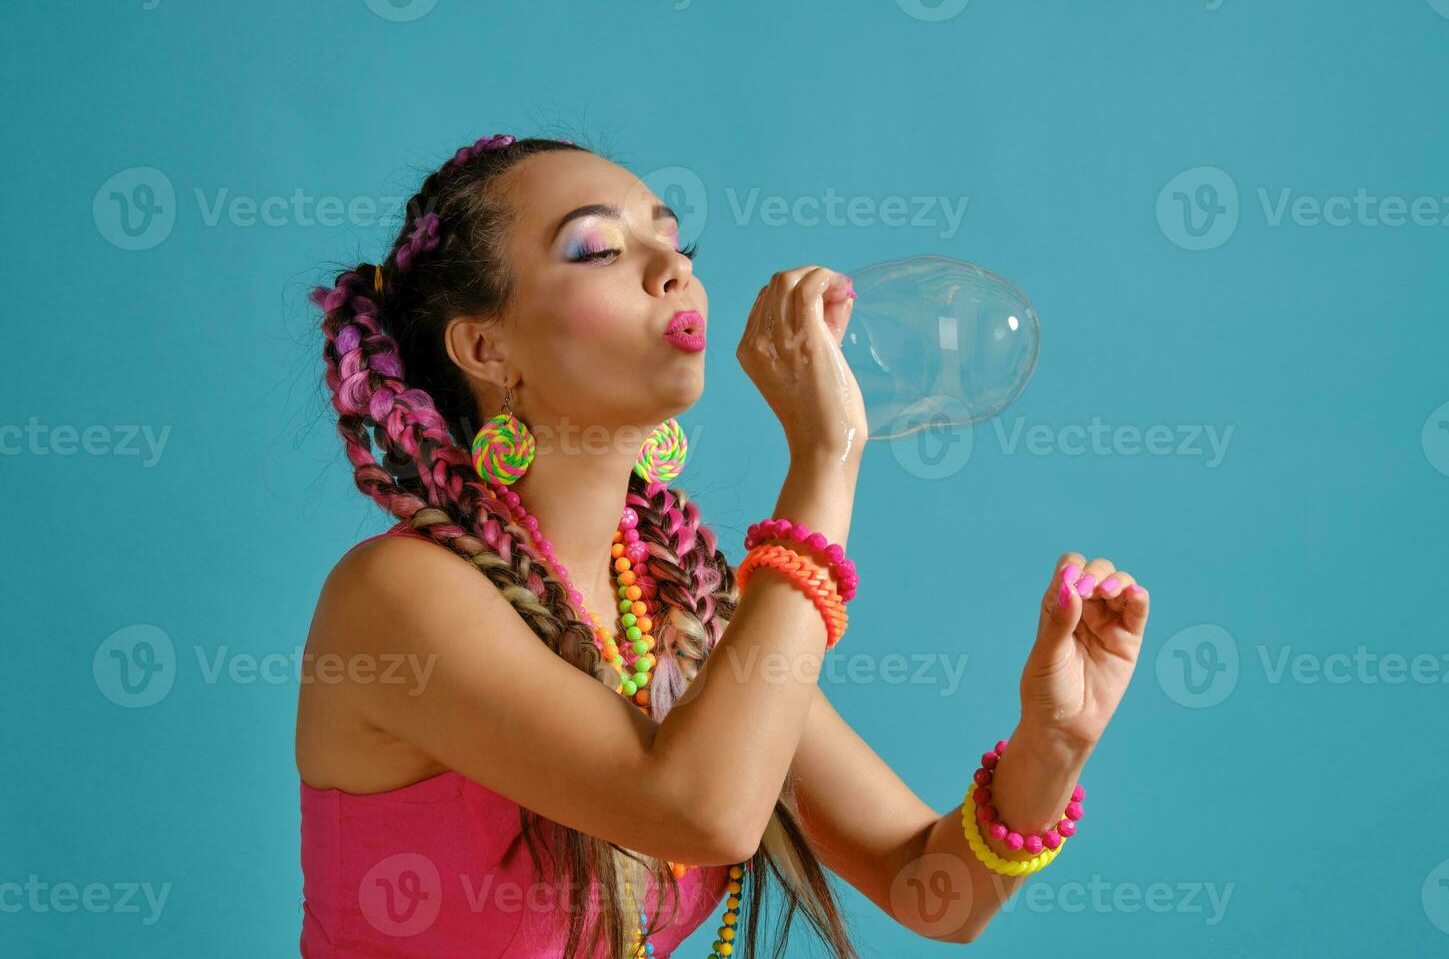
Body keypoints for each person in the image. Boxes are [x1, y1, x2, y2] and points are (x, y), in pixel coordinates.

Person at [295, 133, 1151, 958]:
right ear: (487, 347)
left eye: (674, 239)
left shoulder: (686, 612)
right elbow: (701, 812)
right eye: (598, 250)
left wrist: (1053, 743)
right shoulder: (397, 598)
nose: (675, 270)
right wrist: (826, 458)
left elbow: (933, 891)